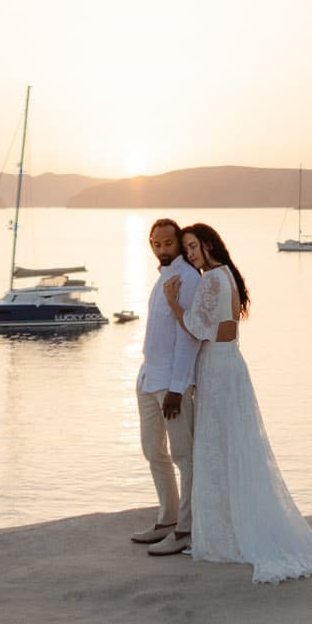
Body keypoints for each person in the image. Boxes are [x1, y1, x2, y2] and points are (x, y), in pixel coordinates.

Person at [155, 221, 312, 582]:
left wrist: (173, 302)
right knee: (233, 445)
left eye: (192, 246)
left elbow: (196, 327)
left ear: (208, 245)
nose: (188, 254)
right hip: (229, 361)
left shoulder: (213, 279)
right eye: (185, 248)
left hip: (217, 366)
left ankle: (223, 535)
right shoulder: (228, 276)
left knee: (217, 447)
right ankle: (229, 524)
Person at [133, 217, 202, 551]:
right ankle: (168, 517)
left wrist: (178, 387)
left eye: (168, 244)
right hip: (148, 378)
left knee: (183, 455)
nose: (161, 249)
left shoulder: (187, 279)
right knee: (152, 450)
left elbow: (187, 337)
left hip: (171, 385)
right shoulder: (162, 278)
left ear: (179, 243)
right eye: (156, 244)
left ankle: (186, 530)